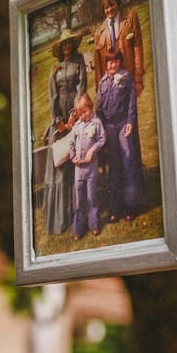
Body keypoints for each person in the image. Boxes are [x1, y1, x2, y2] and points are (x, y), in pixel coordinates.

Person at [42, 28, 87, 235]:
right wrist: (59, 121)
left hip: (75, 113)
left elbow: (81, 88)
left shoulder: (79, 62)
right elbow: (52, 96)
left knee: (74, 161)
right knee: (60, 162)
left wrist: (74, 115)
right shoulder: (54, 68)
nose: (67, 47)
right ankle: (60, 217)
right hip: (59, 117)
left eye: (70, 43)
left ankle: (77, 212)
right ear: (60, 48)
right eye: (64, 44)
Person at [96, 50, 144, 222]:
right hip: (109, 128)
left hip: (124, 125)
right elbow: (99, 109)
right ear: (105, 63)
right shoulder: (102, 82)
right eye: (110, 62)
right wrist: (101, 129)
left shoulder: (126, 77)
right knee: (114, 167)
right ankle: (116, 208)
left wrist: (130, 121)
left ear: (120, 62)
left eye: (116, 61)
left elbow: (132, 100)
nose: (113, 65)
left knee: (128, 162)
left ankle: (131, 206)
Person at [68, 93, 106, 240]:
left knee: (91, 197)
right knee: (79, 199)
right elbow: (71, 143)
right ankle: (78, 228)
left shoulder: (96, 123)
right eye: (80, 114)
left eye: (85, 111)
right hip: (79, 169)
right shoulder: (77, 126)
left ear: (90, 107)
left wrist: (92, 150)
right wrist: (73, 157)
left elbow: (102, 139)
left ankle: (94, 225)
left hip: (91, 168)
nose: (83, 115)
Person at [93, 0, 144, 97]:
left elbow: (138, 48)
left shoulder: (130, 19)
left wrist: (138, 79)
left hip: (129, 78)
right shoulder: (99, 32)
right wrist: (100, 90)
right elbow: (98, 65)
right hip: (111, 85)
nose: (110, 9)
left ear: (118, 4)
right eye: (106, 7)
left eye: (112, 5)